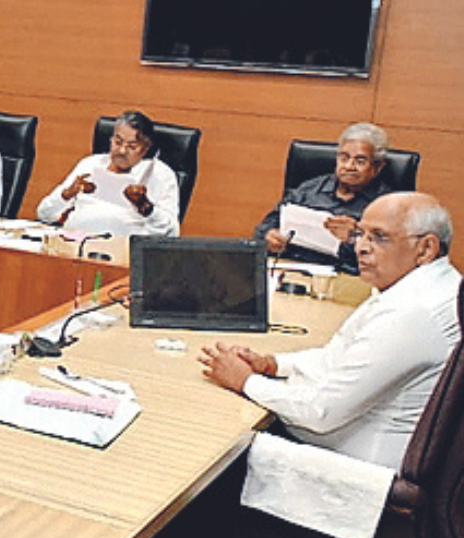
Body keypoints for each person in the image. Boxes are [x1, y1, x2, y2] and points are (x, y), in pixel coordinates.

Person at [200, 192, 460, 468]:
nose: (360, 247)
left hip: (355, 469)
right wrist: (272, 365)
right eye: (360, 234)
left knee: (215, 445)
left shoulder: (412, 311)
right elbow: (339, 358)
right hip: (365, 445)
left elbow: (320, 413)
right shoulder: (428, 286)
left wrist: (246, 381)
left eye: (378, 237)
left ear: (425, 249)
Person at [253, 123, 395, 271]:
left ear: (378, 167)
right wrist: (269, 236)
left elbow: (390, 258)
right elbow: (263, 229)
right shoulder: (309, 190)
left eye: (360, 161)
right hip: (294, 271)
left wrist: (355, 238)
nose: (349, 166)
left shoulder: (386, 206)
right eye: (344, 158)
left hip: (349, 278)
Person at [37, 110, 180, 236]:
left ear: (145, 149)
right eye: (118, 142)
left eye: (132, 146)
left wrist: (146, 207)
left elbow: (171, 232)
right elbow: (44, 214)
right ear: (111, 140)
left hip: (121, 254)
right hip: (71, 246)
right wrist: (67, 194)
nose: (122, 151)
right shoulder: (90, 164)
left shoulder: (160, 175)